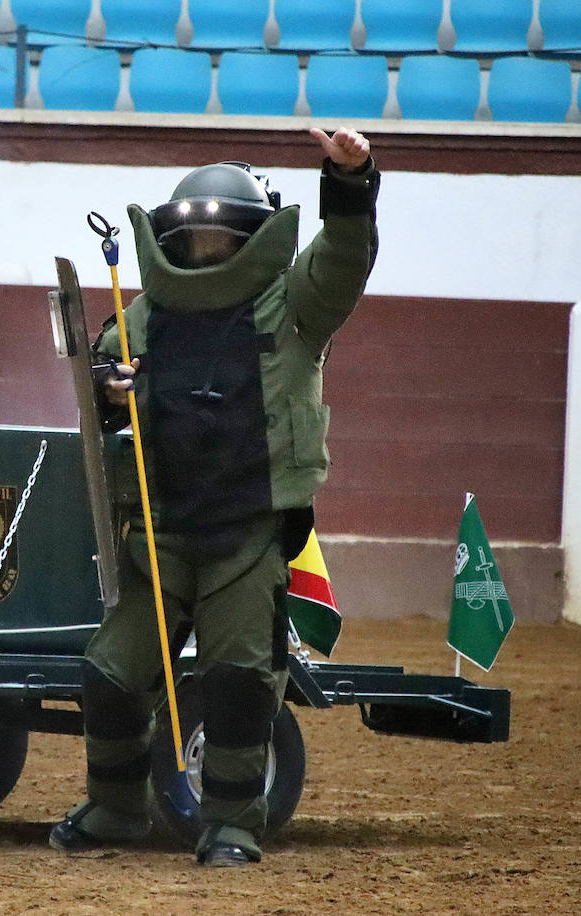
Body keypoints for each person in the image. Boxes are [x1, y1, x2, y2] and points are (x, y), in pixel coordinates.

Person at [50, 127, 379, 867]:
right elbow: (101, 370)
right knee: (108, 676)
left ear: (256, 240)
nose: (206, 252)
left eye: (222, 239)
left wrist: (351, 182)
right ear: (168, 239)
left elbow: (346, 257)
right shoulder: (148, 312)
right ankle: (114, 809)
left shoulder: (295, 303)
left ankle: (232, 822)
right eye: (192, 240)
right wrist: (107, 386)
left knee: (237, 684)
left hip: (246, 535)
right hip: (159, 535)